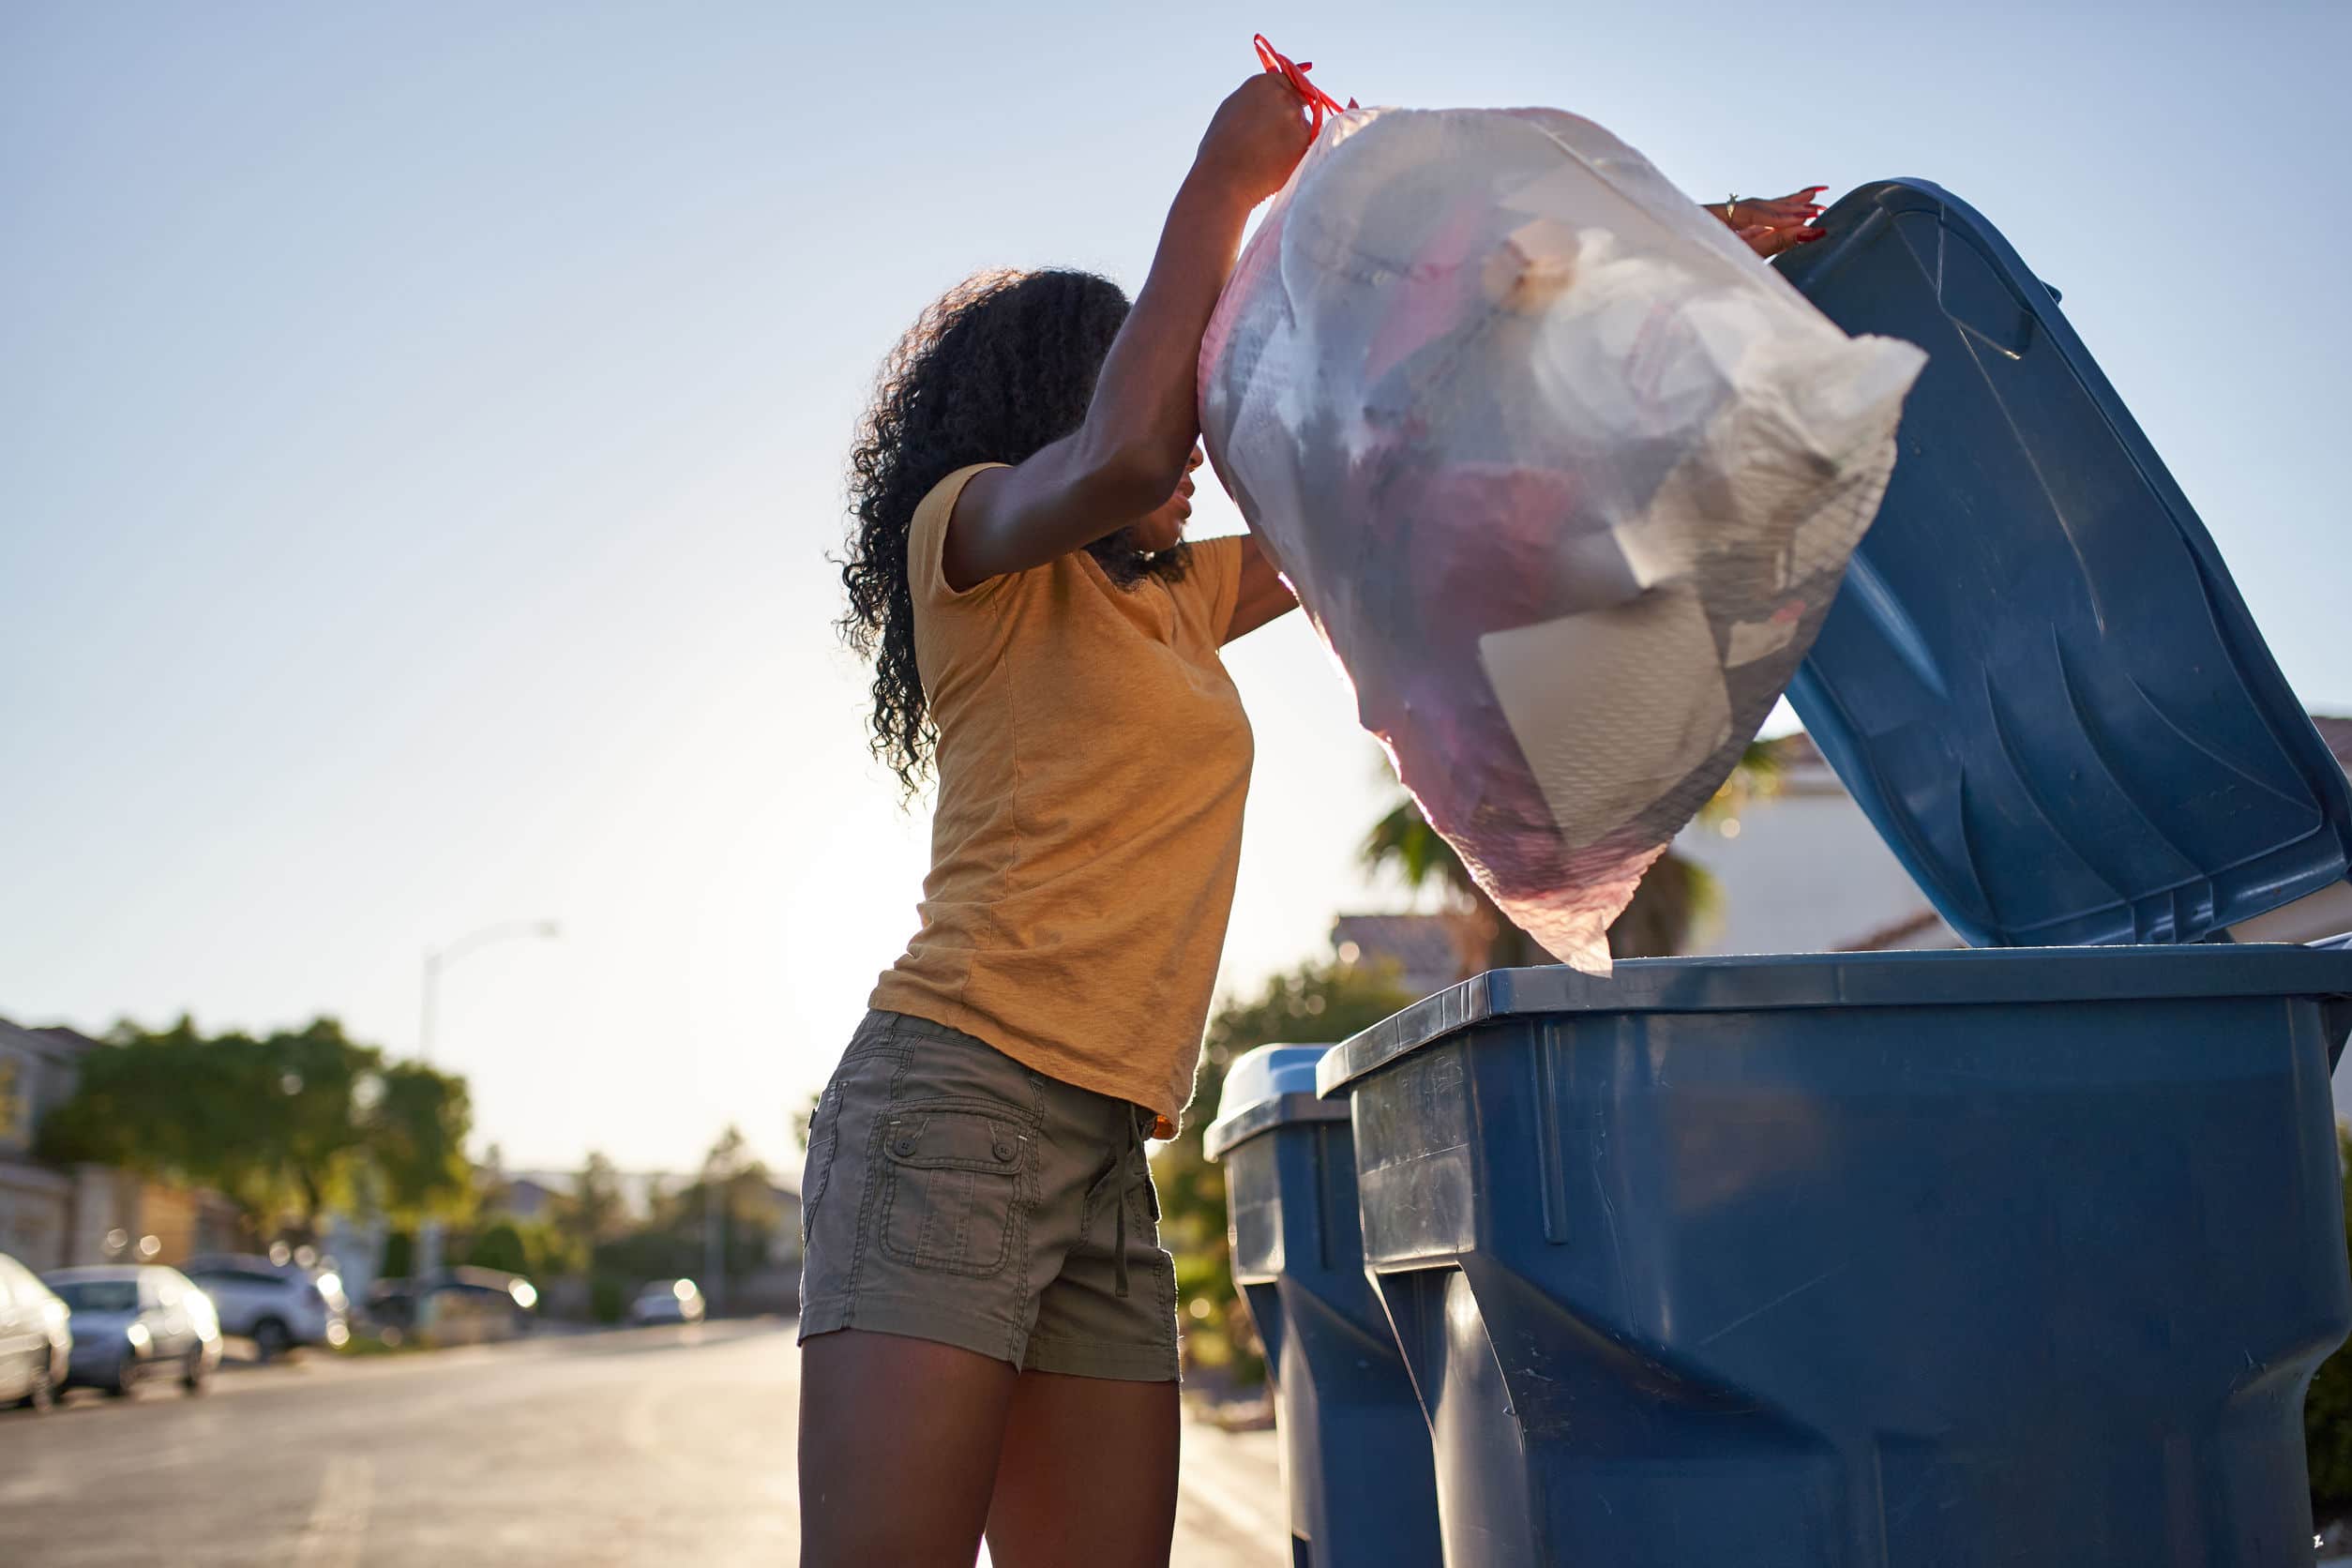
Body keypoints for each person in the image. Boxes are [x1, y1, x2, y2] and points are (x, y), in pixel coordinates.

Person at [801, 65, 1831, 1564]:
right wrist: (1226, 180)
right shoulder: (973, 545)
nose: (1203, 436)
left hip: (1104, 1158)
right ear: (1063, 404)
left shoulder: (1172, 607)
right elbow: (1128, 453)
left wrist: (1676, 260)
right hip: (948, 1111)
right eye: (1175, 383)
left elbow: (1394, 456)